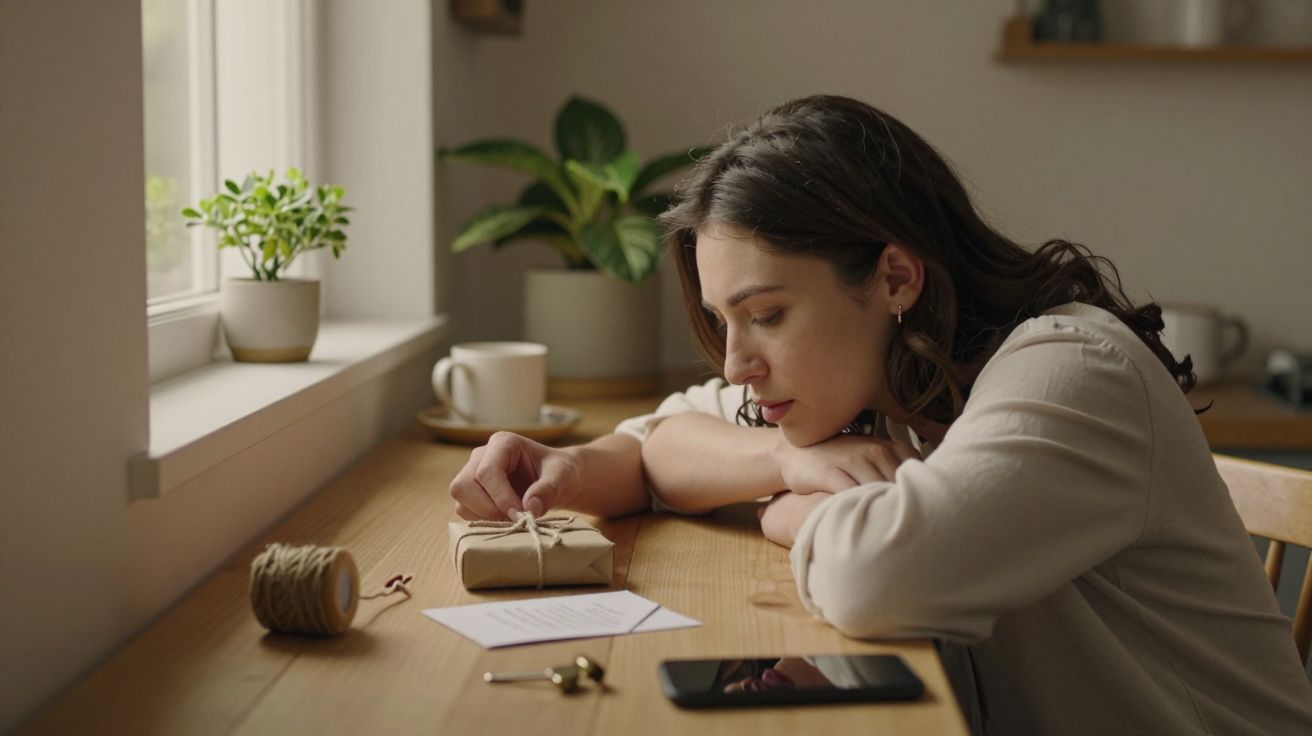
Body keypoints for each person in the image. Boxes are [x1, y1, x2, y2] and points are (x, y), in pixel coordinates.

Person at [448, 95, 1312, 734]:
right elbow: (661, 438)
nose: (738, 362)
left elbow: (876, 578)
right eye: (723, 322)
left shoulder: (1073, 372)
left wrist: (788, 509)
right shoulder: (886, 385)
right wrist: (768, 464)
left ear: (896, 278)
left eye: (768, 315)